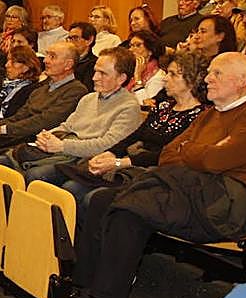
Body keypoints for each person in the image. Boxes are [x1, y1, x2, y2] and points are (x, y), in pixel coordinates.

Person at [67, 53, 246, 298]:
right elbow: (168, 154)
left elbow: (214, 161)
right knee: (104, 200)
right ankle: (86, 288)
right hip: (187, 189)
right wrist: (199, 153)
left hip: (221, 205)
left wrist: (193, 151)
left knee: (128, 210)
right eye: (209, 72)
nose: (207, 79)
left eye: (216, 74)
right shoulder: (209, 115)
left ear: (241, 81)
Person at [55, 52, 209, 208]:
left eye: (173, 74)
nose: (165, 78)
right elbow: (135, 135)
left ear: (191, 80)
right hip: (132, 163)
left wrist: (118, 162)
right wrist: (110, 153)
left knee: (93, 197)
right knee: (71, 186)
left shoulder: (199, 116)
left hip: (156, 173)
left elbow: (169, 155)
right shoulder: (163, 107)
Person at [0, 47, 143, 184]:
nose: (94, 77)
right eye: (95, 71)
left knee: (34, 176)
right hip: (63, 150)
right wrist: (48, 135)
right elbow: (67, 126)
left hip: (83, 160)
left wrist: (62, 145)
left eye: (103, 73)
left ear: (121, 78)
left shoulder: (128, 107)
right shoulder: (89, 98)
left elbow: (107, 145)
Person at [126, 30, 167, 104]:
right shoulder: (129, 69)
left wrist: (138, 78)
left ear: (150, 51)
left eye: (138, 45)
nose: (131, 50)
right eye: (131, 46)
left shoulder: (158, 77)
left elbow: (146, 105)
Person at [66, 22, 97, 87]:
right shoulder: (63, 60)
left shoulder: (94, 64)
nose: (70, 42)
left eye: (75, 38)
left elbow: (85, 89)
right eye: (69, 38)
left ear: (89, 40)